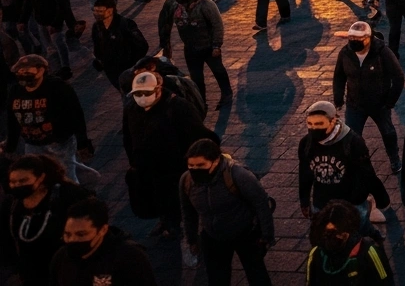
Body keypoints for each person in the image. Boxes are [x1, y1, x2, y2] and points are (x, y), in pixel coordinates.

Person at [122, 70, 217, 238]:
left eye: (147, 93)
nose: (142, 97)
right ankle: (166, 221)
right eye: (138, 93)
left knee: (178, 201)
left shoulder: (178, 107)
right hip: (148, 169)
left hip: (173, 169)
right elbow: (129, 136)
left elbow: (199, 136)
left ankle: (183, 229)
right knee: (158, 199)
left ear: (158, 89)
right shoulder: (131, 108)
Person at [180, 138, 277, 286]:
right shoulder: (186, 180)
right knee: (217, 278)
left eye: (201, 165)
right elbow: (188, 212)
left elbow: (261, 203)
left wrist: (266, 236)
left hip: (244, 233)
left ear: (216, 161)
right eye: (191, 166)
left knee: (256, 274)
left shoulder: (238, 175)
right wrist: (191, 239)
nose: (195, 170)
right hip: (213, 236)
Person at [0, 154, 95, 286]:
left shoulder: (66, 196)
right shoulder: (12, 205)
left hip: (68, 272)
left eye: (23, 181)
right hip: (33, 275)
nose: (17, 185)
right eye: (13, 182)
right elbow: (6, 239)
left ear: (41, 178)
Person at [3, 55, 94, 183]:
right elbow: (12, 119)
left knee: (66, 178)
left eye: (26, 70)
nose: (21, 74)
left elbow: (76, 115)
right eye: (19, 71)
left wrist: (82, 142)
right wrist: (10, 146)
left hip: (59, 144)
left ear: (41, 70)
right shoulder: (15, 90)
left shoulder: (58, 87)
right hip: (32, 144)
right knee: (41, 178)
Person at [298, 101, 391, 225]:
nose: (313, 129)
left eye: (319, 124)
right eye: (310, 124)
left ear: (333, 122)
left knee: (356, 236)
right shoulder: (306, 143)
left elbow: (367, 175)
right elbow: (305, 173)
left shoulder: (352, 142)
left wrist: (358, 199)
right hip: (321, 204)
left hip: (350, 205)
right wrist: (304, 201)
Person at [331, 21, 405, 175]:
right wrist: (338, 98)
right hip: (355, 103)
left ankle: (394, 157)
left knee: (387, 132)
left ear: (368, 38)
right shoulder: (346, 52)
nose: (354, 43)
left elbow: (398, 77)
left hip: (379, 104)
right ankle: (356, 161)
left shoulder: (382, 52)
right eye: (352, 40)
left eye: (358, 40)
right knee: (352, 135)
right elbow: (339, 76)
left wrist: (390, 102)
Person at [157, 0, 232, 108]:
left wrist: (217, 45)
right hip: (190, 47)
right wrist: (165, 45)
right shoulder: (172, 2)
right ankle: (201, 101)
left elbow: (217, 25)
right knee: (196, 78)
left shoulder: (206, 4)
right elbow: (164, 23)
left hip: (208, 46)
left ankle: (227, 94)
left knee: (218, 71)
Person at [49, 197, 158, 286]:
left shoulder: (130, 258)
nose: (72, 240)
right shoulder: (61, 258)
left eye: (81, 234)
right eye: (67, 234)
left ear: (103, 230)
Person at [304, 200, 394, 286]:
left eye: (336, 232)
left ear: (348, 231)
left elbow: (385, 282)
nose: (333, 237)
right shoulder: (316, 254)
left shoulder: (369, 254)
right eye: (328, 232)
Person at [88, 0, 149, 91]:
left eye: (100, 11)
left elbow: (143, 46)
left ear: (110, 11)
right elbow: (97, 45)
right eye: (95, 11)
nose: (96, 14)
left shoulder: (126, 25)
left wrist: (132, 63)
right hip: (111, 71)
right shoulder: (97, 27)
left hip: (128, 69)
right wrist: (99, 60)